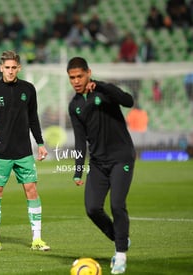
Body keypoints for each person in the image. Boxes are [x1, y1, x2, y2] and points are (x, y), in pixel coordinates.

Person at [0, 50, 50, 252]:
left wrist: (40, 143)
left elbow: (33, 118)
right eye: (6, 68)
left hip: (24, 151)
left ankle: (37, 239)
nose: (10, 71)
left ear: (19, 68)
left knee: (31, 191)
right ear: (1, 68)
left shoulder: (29, 89)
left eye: (13, 67)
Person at [67, 57, 135, 274]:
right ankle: (120, 238)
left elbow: (128, 101)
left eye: (79, 76)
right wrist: (78, 170)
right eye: (72, 78)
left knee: (117, 205)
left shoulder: (105, 92)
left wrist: (103, 85)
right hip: (98, 163)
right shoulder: (75, 106)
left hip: (121, 158)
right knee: (92, 208)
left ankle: (121, 255)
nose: (76, 81)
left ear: (89, 72)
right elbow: (80, 140)